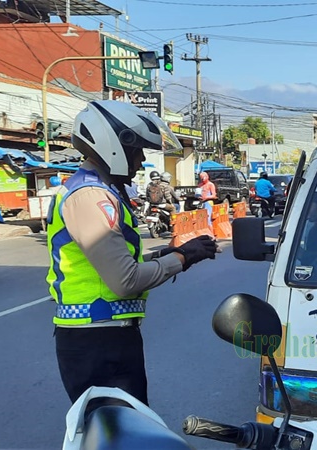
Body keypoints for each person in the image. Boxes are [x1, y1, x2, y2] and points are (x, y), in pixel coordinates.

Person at [45, 100, 219, 414]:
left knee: (130, 427)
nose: (141, 160)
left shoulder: (101, 190)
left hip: (106, 336)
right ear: (115, 145)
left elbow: (119, 261)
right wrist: (182, 258)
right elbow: (125, 279)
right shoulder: (90, 196)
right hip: (97, 341)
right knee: (121, 431)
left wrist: (171, 253)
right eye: (137, 150)